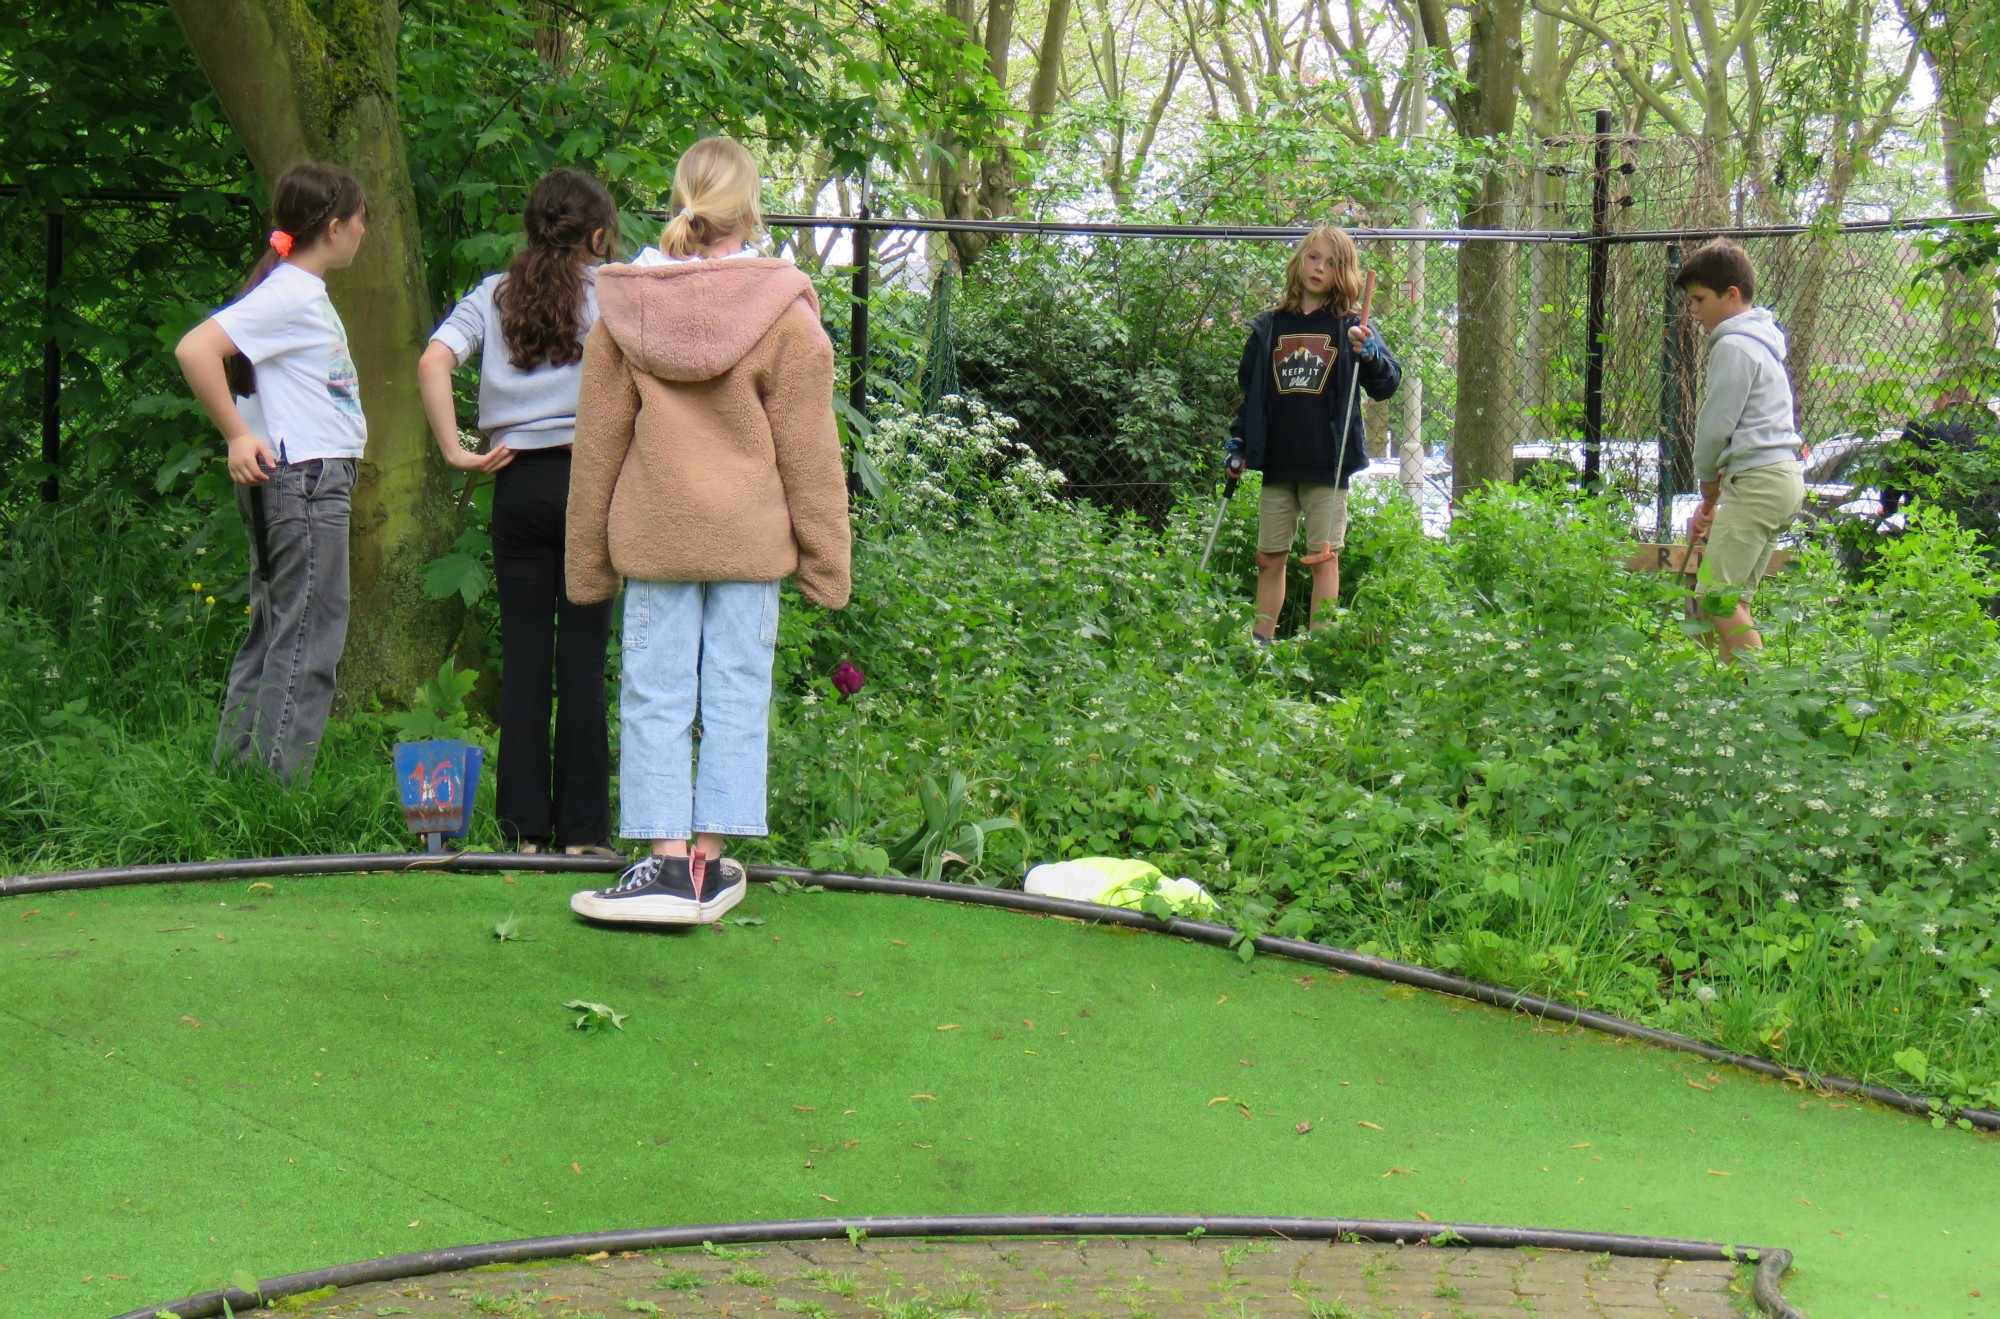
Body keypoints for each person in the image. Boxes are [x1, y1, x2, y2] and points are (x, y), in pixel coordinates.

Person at [564, 137, 851, 925]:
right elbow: (811, 452)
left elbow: (598, 449)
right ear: (749, 211)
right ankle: (709, 863)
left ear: (681, 201)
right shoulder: (785, 316)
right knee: (735, 694)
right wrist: (827, 561)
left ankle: (658, 863)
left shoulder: (625, 314)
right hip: (750, 542)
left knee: (653, 692)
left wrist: (586, 560)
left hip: (656, 534)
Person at [418, 169, 620, 857]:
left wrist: (456, 450)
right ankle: (585, 836)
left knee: (527, 658)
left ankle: (523, 832)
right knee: (584, 660)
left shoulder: (493, 294)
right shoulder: (614, 295)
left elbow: (434, 359)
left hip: (514, 484)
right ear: (597, 234)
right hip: (589, 483)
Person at [173, 162, 368, 784]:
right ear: (334, 227)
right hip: (306, 481)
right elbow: (195, 348)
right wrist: (236, 434)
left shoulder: (293, 290)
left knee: (276, 629)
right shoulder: (290, 293)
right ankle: (276, 796)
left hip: (297, 477)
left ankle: (235, 782)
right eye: (360, 220)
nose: (365, 230)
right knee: (310, 636)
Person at [1224, 223, 1401, 642]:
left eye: (1331, 262)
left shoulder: (1351, 327)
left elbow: (1387, 383)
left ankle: (1319, 647)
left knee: (1322, 557)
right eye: (1313, 257)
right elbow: (1251, 393)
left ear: (1345, 272)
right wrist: (1239, 441)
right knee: (1269, 557)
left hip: (1327, 460)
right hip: (1279, 459)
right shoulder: (1270, 326)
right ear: (1300, 261)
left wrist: (1371, 354)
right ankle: (1261, 644)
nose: (1319, 267)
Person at [1678, 238, 1805, 663]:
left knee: (1716, 596)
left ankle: (1768, 695)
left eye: (1699, 299)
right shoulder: (1761, 341)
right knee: (1733, 599)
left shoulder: (1732, 346)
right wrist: (1715, 495)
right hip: (1779, 479)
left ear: (1731, 295)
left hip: (1758, 482)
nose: (1693, 309)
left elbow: (1716, 426)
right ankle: (1736, 704)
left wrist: (1707, 485)